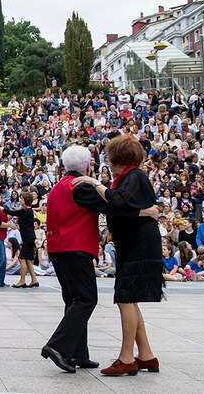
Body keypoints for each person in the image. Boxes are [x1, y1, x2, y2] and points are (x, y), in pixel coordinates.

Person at [41, 144, 157, 374]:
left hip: (58, 247)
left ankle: (78, 352)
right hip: (76, 247)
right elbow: (114, 207)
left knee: (74, 299)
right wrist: (146, 212)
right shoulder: (82, 186)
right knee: (85, 299)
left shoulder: (58, 186)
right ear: (86, 165)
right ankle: (58, 346)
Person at [73, 134, 164, 376]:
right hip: (132, 242)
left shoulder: (134, 175)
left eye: (110, 156)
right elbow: (120, 210)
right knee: (129, 298)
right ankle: (146, 355)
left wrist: (94, 183)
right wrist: (144, 212)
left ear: (117, 157)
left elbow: (117, 201)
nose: (108, 161)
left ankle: (126, 358)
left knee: (124, 298)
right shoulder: (127, 177)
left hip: (139, 244)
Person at [0, 191, 39, 288]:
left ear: (25, 200)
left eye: (21, 198)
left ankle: (22, 280)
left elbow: (11, 212)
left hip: (27, 238)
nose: (20, 200)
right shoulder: (27, 210)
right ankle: (34, 280)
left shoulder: (25, 210)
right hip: (29, 237)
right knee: (28, 259)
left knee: (22, 258)